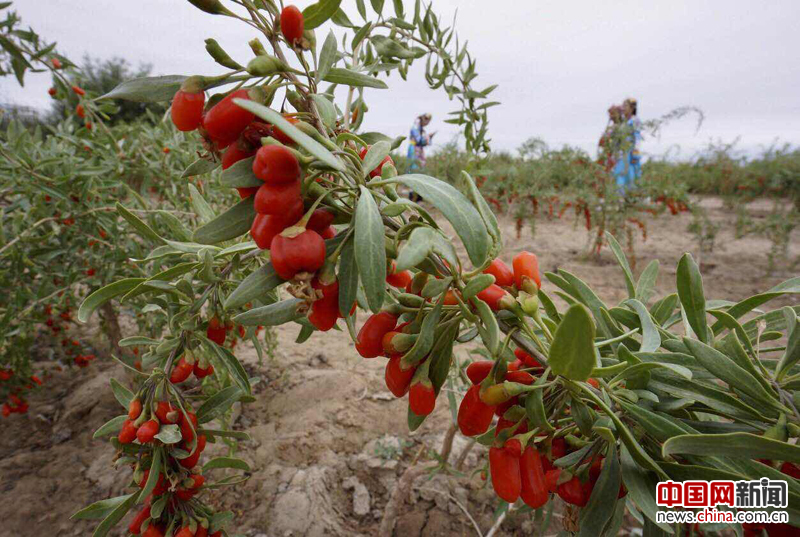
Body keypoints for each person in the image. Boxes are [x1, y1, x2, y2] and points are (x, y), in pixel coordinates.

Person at [612, 98, 643, 194]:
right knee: (620, 173)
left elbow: (637, 137)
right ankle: (621, 195)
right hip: (621, 152)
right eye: (623, 106)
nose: (623, 108)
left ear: (632, 108)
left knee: (631, 174)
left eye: (625, 106)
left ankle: (631, 195)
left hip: (631, 152)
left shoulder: (635, 121)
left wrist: (636, 153)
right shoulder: (622, 123)